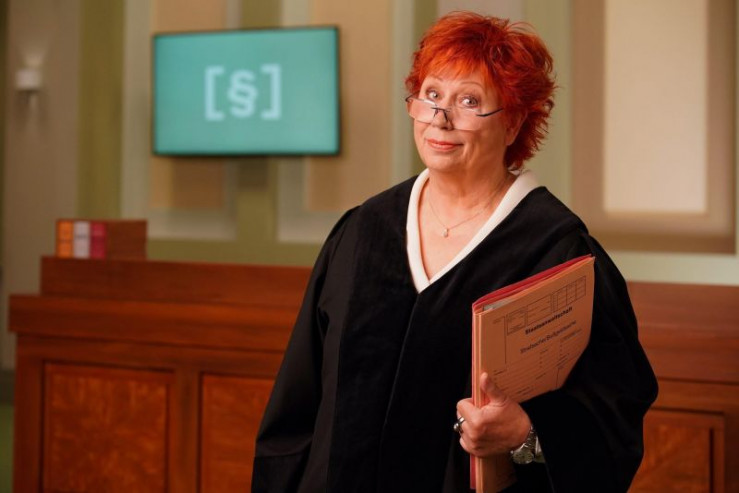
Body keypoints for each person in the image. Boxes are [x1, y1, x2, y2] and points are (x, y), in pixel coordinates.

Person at [252, 11, 657, 493]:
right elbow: (296, 408)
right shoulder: (362, 232)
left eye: (469, 100)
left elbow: (613, 415)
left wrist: (528, 433)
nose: (440, 118)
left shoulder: (557, 251)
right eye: (431, 94)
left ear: (514, 123)